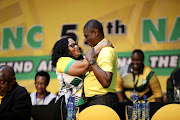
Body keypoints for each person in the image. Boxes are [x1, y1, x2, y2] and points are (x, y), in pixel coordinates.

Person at [51, 37, 112, 120]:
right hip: (66, 105)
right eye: (72, 45)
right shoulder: (62, 61)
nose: (77, 46)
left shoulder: (83, 59)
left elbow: (90, 61)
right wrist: (101, 45)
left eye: (76, 44)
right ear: (64, 50)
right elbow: (84, 66)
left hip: (82, 104)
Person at [83, 19, 119, 113]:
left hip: (103, 101)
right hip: (96, 101)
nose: (86, 40)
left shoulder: (106, 50)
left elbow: (106, 81)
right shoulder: (98, 50)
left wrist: (92, 61)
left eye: (87, 36)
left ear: (96, 32)